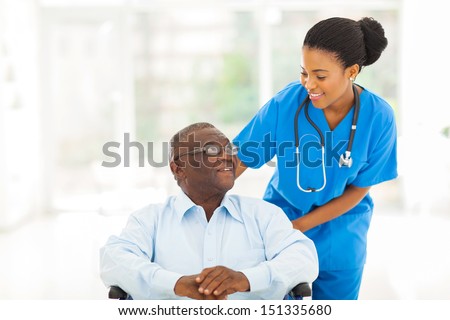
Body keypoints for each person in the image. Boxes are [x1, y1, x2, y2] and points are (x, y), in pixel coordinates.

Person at [232, 17, 397, 300]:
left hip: (341, 235)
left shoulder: (378, 117)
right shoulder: (286, 104)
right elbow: (240, 159)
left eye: (320, 76)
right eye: (304, 73)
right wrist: (204, 194)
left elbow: (359, 189)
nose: (309, 84)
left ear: (352, 71)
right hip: (280, 228)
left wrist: (300, 226)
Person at [99, 122, 318, 300]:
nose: (228, 156)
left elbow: (303, 258)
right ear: (178, 168)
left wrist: (245, 279)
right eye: (212, 150)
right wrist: (177, 284)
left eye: (230, 149)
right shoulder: (149, 219)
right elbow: (114, 260)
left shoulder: (264, 215)